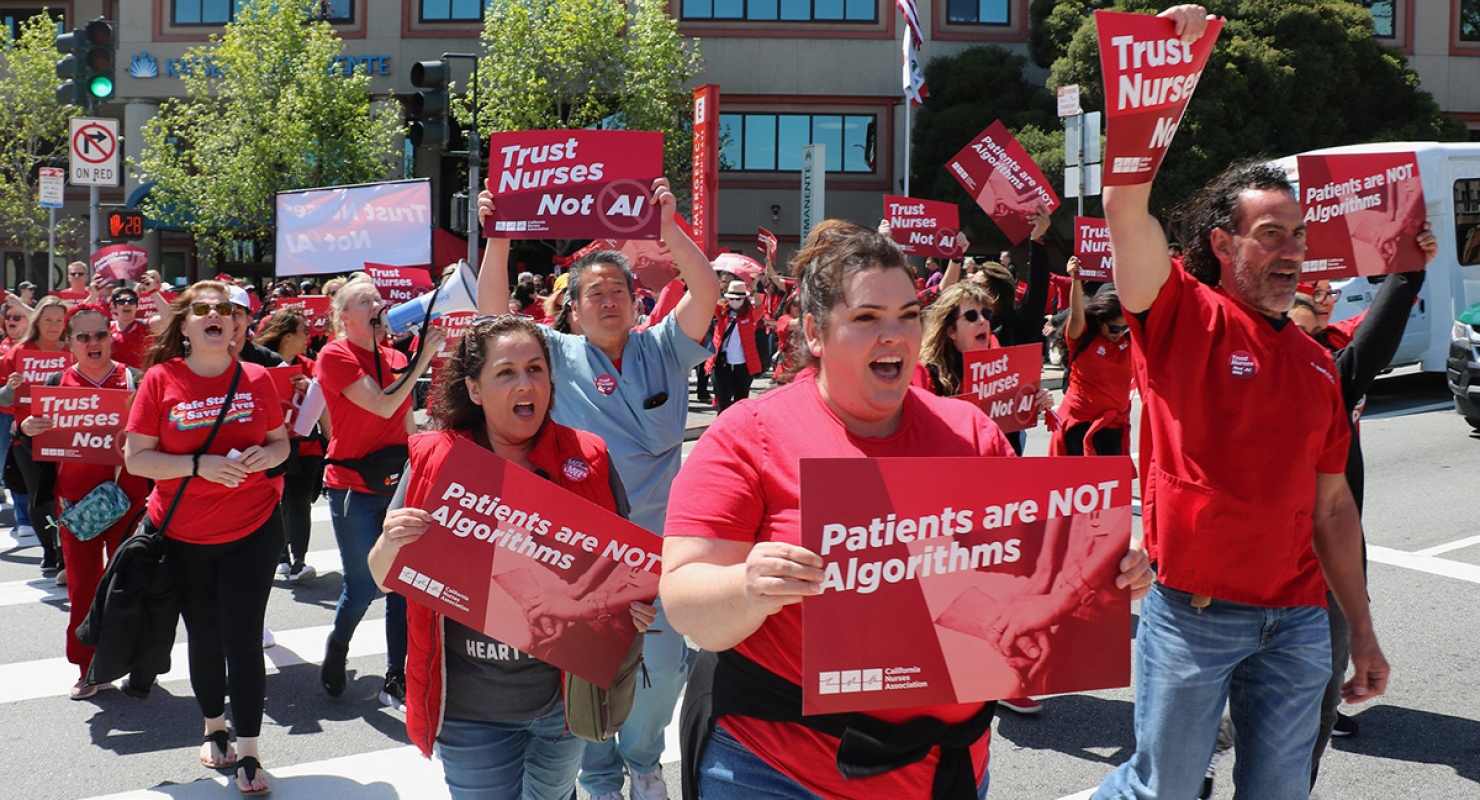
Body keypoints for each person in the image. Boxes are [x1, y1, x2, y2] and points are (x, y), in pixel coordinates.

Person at [659, 220, 1153, 799]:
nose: (894, 334)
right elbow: (685, 599)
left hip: (946, 769)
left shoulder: (970, 431)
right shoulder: (750, 434)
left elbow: (1025, 572)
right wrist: (749, 586)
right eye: (867, 318)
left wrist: (1107, 571)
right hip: (779, 771)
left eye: (909, 314)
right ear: (816, 333)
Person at [1090, 10, 1388, 798]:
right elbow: (1127, 209)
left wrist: (1359, 627)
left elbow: (1333, 511)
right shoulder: (1181, 315)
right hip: (1192, 616)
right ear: (1223, 245)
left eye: (1298, 234)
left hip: (1295, 623)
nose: (1292, 249)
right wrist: (1162, 78)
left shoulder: (1319, 367)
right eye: (1270, 234)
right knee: (1165, 789)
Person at [477, 177, 720, 800]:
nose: (609, 301)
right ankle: (599, 775)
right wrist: (499, 240)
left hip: (660, 548)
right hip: (579, 551)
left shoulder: (665, 348)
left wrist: (667, 227)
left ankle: (643, 759)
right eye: (594, 293)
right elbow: (492, 318)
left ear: (638, 303)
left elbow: (707, 289)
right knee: (587, 671)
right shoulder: (553, 355)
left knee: (662, 670)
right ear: (573, 308)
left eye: (619, 291)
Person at [367, 315, 657, 800]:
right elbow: (381, 578)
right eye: (506, 373)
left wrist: (634, 611)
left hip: (563, 706)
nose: (526, 384)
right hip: (469, 713)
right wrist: (391, 543)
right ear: (474, 390)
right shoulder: (437, 460)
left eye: (536, 369)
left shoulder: (588, 456)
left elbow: (622, 573)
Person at [124, 281, 291, 796]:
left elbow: (281, 441)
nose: (216, 315)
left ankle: (249, 752)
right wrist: (199, 466)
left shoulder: (258, 377)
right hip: (184, 534)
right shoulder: (160, 379)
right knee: (204, 633)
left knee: (243, 636)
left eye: (225, 309)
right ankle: (214, 724)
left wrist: (271, 455)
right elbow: (137, 459)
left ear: (237, 324)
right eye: (203, 309)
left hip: (254, 528)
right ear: (186, 324)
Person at [317, 274, 444, 707]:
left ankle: (396, 673)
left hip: (394, 483)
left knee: (401, 581)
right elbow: (383, 402)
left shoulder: (392, 354)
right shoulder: (334, 355)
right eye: (365, 301)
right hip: (352, 485)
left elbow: (404, 417)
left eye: (378, 299)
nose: (377, 306)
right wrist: (422, 359)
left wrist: (419, 465)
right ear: (344, 317)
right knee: (363, 585)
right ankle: (338, 646)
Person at [20, 303, 148, 699]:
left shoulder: (135, 380)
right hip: (76, 506)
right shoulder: (57, 385)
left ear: (110, 338)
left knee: (132, 584)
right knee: (83, 587)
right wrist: (26, 428)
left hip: (130, 499)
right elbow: (31, 437)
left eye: (100, 335)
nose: (93, 343)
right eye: (83, 337)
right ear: (70, 343)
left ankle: (140, 664)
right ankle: (88, 666)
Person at [255, 308, 328, 583]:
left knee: (300, 501)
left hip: (307, 445)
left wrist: (310, 389)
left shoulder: (310, 367)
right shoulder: (259, 367)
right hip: (272, 445)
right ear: (287, 336)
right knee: (279, 501)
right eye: (303, 332)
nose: (308, 337)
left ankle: (299, 559)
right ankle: (284, 558)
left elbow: (324, 402)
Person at [0, 297, 71, 578]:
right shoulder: (17, 353)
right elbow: (3, 398)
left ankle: (66, 553)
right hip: (26, 436)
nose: (53, 326)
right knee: (39, 497)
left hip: (66, 434)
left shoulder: (73, 351)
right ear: (37, 321)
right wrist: (10, 389)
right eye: (48, 320)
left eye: (59, 320)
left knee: (65, 496)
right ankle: (50, 552)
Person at [1048, 257, 1132, 457]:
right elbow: (1077, 315)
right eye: (1114, 328)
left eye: (1124, 327)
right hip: (1079, 426)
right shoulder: (1082, 337)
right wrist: (1075, 279)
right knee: (1076, 485)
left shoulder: (1126, 341)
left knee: (1109, 486)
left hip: (1113, 427)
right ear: (1100, 321)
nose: (1119, 332)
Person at [709, 280, 765, 412]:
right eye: (731, 298)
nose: (734, 301)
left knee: (741, 400)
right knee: (723, 400)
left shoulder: (750, 314)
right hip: (723, 362)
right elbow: (708, 300)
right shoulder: (722, 311)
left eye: (737, 298)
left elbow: (760, 308)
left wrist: (754, 290)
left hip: (744, 363)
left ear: (744, 298)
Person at [0, 304, 28, 536]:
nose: (11, 320)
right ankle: (23, 517)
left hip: (30, 415)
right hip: (5, 413)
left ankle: (30, 517)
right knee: (8, 466)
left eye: (17, 317)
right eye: (8, 317)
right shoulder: (3, 347)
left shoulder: (37, 348)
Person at [109, 276, 173, 370]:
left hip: (141, 380)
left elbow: (170, 318)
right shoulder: (106, 328)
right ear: (114, 307)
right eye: (121, 301)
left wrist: (153, 292)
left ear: (137, 306)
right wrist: (94, 295)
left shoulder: (146, 326)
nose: (127, 304)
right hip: (113, 380)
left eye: (131, 301)